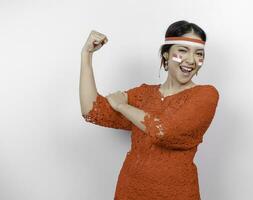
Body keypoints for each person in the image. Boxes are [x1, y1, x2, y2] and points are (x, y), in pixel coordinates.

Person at [79, 20, 219, 200]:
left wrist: (122, 106)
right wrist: (86, 55)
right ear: (166, 54)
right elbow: (93, 111)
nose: (191, 60)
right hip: (129, 190)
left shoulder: (205, 95)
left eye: (199, 54)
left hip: (176, 194)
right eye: (183, 51)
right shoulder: (144, 94)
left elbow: (164, 131)